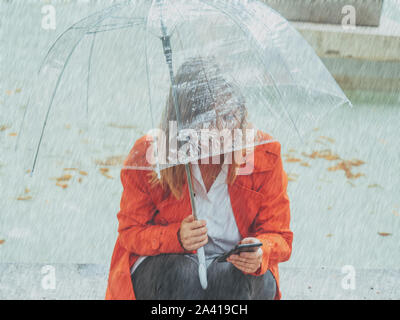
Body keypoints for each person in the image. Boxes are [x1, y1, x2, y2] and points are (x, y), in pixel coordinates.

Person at [105, 57, 293, 300]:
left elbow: (281, 237)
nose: (220, 132)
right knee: (182, 275)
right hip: (168, 267)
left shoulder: (262, 154)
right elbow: (131, 232)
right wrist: (175, 237)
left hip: (229, 267)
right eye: (205, 120)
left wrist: (261, 250)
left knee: (250, 280)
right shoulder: (150, 155)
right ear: (183, 120)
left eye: (227, 118)